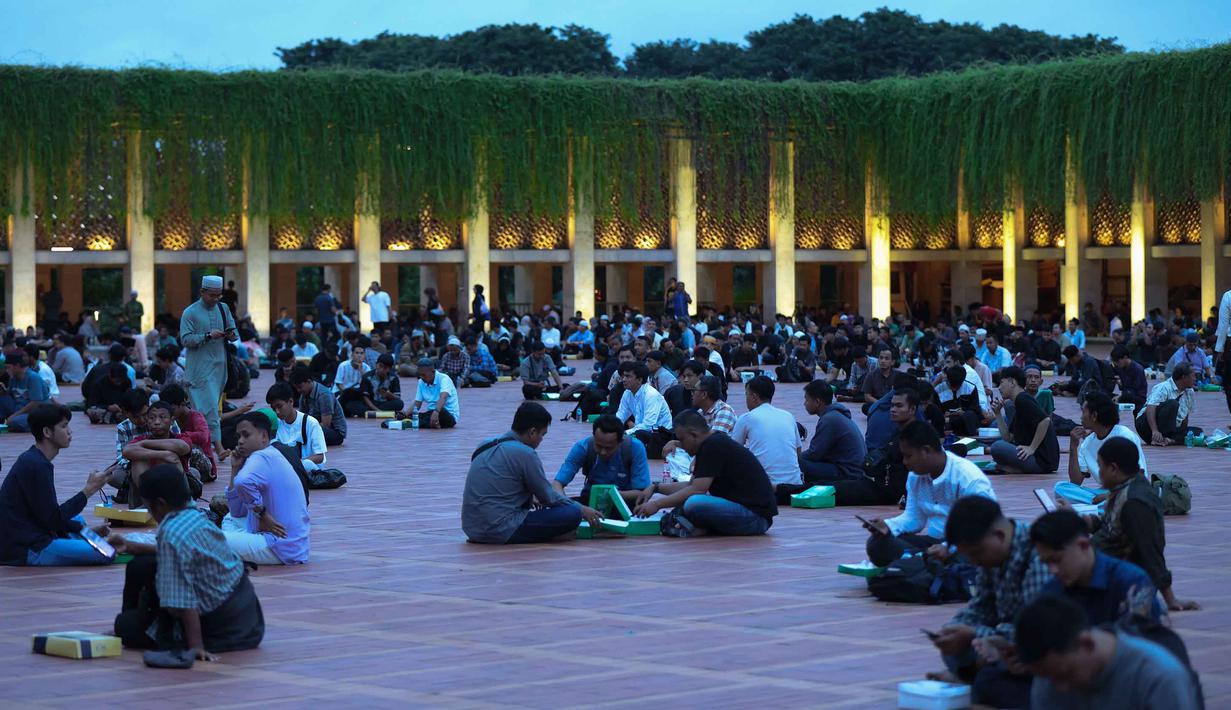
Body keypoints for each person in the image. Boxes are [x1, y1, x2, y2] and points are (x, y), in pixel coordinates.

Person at [110, 464, 265, 660]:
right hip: (247, 615)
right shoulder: (194, 515)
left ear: (159, 504)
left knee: (124, 625)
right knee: (141, 564)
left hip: (223, 629)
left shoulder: (171, 533)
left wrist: (196, 647)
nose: (151, 514)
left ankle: (146, 624)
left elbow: (183, 598)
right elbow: (185, 553)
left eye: (149, 508)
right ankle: (145, 619)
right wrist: (134, 547)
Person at [921, 496, 1049, 709]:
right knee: (955, 650)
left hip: (1036, 644)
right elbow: (981, 604)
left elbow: (1034, 630)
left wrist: (976, 634)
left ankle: (977, 679)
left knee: (993, 680)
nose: (974, 562)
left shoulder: (1038, 555)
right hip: (1001, 637)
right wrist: (954, 629)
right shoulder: (990, 556)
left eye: (975, 554)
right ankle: (976, 676)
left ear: (998, 535)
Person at [1015, 596, 1202, 710]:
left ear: (1087, 644)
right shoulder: (1050, 674)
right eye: (1047, 677)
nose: (1060, 687)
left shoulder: (1159, 677)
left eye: (1065, 675)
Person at [1085, 437, 1199, 612]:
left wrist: (1170, 599)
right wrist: (1089, 523)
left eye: (1100, 466)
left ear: (1114, 469)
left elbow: (1150, 551)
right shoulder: (1123, 488)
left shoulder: (1135, 502)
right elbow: (1116, 530)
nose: (1099, 472)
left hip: (1121, 581)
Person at [462, 402, 601, 544]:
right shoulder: (526, 453)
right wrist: (582, 509)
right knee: (571, 513)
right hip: (500, 529)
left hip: (472, 528)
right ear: (532, 432)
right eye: (542, 435)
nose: (541, 440)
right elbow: (549, 497)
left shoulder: (485, 445)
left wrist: (530, 497)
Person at [860, 421, 996, 561]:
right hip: (934, 543)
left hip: (967, 544)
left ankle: (919, 563)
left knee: (965, 556)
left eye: (909, 456)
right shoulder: (915, 476)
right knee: (878, 543)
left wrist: (949, 548)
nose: (905, 462)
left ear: (926, 451)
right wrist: (887, 526)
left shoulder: (967, 477)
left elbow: (984, 526)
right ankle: (922, 562)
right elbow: (914, 519)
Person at [632, 410, 777, 537]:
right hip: (752, 515)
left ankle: (699, 527)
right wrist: (656, 487)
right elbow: (691, 485)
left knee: (694, 503)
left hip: (756, 518)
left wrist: (657, 504)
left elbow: (697, 489)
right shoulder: (711, 442)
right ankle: (698, 527)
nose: (680, 445)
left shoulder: (713, 445)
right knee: (690, 503)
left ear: (694, 435)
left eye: (682, 440)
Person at [0, 404, 112, 565]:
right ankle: (77, 540)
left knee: (78, 520)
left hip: (32, 532)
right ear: (47, 432)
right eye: (64, 426)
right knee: (106, 552)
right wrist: (89, 489)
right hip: (27, 547)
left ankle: (77, 538)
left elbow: (46, 514)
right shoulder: (36, 465)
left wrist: (82, 529)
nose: (70, 431)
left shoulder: (35, 459)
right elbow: (52, 519)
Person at [1031, 510, 1160, 624]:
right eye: (1047, 563)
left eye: (1057, 560)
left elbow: (1146, 644)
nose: (1053, 570)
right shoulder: (1052, 591)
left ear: (1083, 545)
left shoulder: (1131, 583)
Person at [220, 412, 311, 565]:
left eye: (246, 435)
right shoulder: (269, 455)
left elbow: (242, 482)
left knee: (205, 538)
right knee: (229, 518)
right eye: (239, 436)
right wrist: (235, 468)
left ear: (264, 436)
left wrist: (263, 515)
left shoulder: (261, 456)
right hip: (293, 545)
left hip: (279, 547)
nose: (240, 441)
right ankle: (235, 542)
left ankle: (230, 545)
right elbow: (237, 513)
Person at [1056, 391, 1145, 506]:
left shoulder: (1125, 435)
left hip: (1130, 490)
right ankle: (1104, 505)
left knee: (1124, 500)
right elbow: (1075, 481)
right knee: (1060, 488)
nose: (1081, 417)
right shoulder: (1087, 443)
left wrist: (1111, 495)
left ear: (1094, 416)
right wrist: (1073, 446)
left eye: (1083, 412)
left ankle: (1105, 504)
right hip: (1104, 493)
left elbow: (1139, 475)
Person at [180, 275, 237, 448]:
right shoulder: (190, 312)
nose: (216, 299)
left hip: (219, 367)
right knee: (209, 407)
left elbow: (234, 333)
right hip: (199, 369)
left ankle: (201, 444)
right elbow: (186, 339)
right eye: (212, 295)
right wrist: (207, 336)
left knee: (210, 406)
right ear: (202, 292)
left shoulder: (223, 308)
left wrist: (230, 334)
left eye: (218, 295)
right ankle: (217, 447)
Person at [553, 414, 652, 504]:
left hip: (624, 502)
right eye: (599, 446)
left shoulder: (635, 448)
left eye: (609, 448)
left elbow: (643, 492)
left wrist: (612, 495)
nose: (603, 452)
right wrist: (570, 506)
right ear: (594, 437)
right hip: (590, 500)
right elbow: (557, 484)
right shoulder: (582, 447)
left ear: (620, 441)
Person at [730, 375, 802, 488]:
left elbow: (732, 454)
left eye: (746, 395)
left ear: (754, 397)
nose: (746, 399)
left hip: (763, 488)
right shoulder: (788, 415)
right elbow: (798, 451)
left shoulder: (746, 418)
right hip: (795, 485)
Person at [989, 366, 1059, 474]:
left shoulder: (1023, 398)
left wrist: (1031, 448)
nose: (999, 388)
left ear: (1012, 382)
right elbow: (1007, 438)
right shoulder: (1018, 402)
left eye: (1002, 383)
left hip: (1042, 462)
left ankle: (1016, 469)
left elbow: (1045, 420)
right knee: (1000, 448)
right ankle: (1015, 469)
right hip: (1042, 462)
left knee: (997, 447)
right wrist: (997, 413)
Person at [799, 379, 866, 484]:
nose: (804, 404)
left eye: (806, 400)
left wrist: (794, 458)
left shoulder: (829, 419)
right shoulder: (834, 415)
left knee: (797, 464)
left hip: (848, 473)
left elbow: (814, 454)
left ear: (817, 402)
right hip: (853, 469)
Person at [614, 361, 674, 459]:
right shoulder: (627, 393)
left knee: (635, 435)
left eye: (628, 376)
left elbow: (648, 425)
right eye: (624, 376)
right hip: (642, 432)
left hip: (660, 436)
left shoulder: (651, 395)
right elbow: (620, 416)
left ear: (639, 380)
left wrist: (625, 433)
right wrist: (612, 429)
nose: (623, 379)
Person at [266, 383, 328, 473]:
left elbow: (320, 456)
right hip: (286, 468)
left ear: (291, 401)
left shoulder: (311, 423)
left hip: (308, 470)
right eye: (273, 409)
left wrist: (296, 463)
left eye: (279, 406)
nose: (277, 412)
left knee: (306, 464)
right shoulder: (276, 424)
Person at [1137, 361, 1198, 446]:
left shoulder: (1190, 392)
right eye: (1193, 376)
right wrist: (1155, 431)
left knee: (1197, 432)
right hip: (1147, 427)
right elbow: (1150, 407)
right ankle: (1159, 438)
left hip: (1170, 429)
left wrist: (1182, 432)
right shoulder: (1164, 387)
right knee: (1173, 404)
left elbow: (1185, 418)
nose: (1195, 379)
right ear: (1184, 377)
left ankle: (1169, 440)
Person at [290, 366, 347, 445]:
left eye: (300, 387)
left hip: (335, 433)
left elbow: (326, 424)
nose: (298, 390)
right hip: (315, 428)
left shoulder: (324, 395)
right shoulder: (304, 394)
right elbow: (301, 418)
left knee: (301, 435)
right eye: (296, 388)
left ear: (309, 381)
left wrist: (302, 430)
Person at [0, 352, 50, 433]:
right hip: (19, 408)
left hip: (35, 412)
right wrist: (3, 391)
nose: (7, 370)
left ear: (17, 366)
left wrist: (14, 415)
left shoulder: (33, 378)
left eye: (8, 367)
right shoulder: (13, 377)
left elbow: (35, 403)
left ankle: (40, 425)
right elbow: (11, 395)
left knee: (15, 421)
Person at [407, 358, 459, 429]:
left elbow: (443, 398)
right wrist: (405, 415)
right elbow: (417, 403)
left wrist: (436, 412)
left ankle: (413, 423)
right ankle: (414, 422)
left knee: (441, 412)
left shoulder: (444, 379)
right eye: (420, 375)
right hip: (431, 414)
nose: (421, 377)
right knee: (413, 416)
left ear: (433, 371)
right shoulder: (421, 382)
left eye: (423, 375)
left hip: (446, 415)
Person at [1112, 344, 1148, 413]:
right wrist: (1119, 383)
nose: (1117, 364)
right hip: (1127, 395)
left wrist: (1120, 397)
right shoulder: (1121, 367)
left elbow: (1134, 390)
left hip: (1138, 398)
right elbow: (1124, 387)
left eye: (1118, 361)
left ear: (1125, 357)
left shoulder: (1137, 369)